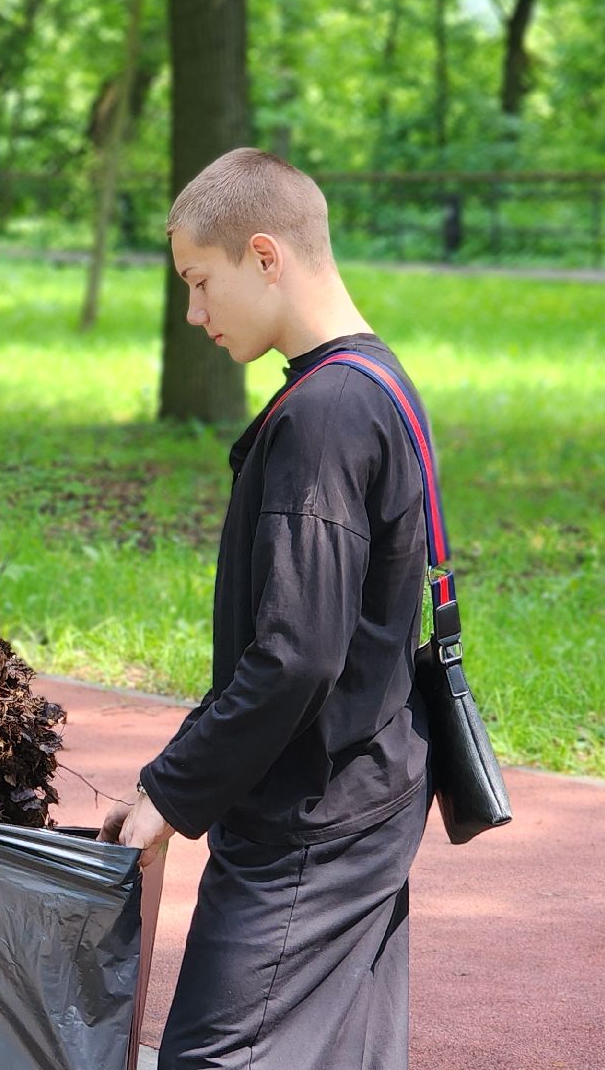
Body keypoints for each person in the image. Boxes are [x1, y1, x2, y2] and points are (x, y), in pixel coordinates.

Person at [101, 147, 432, 1070]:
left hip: (312, 817)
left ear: (264, 255)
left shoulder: (322, 417)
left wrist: (171, 793)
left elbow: (295, 655)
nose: (194, 312)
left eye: (200, 282)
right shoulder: (381, 383)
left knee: (214, 1055)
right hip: (370, 785)